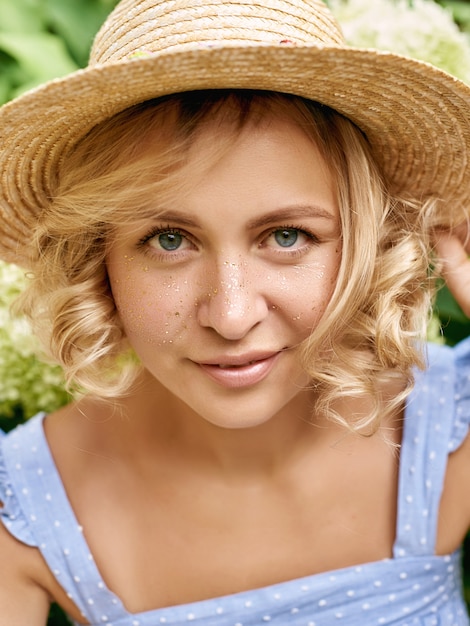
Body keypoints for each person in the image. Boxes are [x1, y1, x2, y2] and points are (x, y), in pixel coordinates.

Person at [0, 0, 470, 624]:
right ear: (96, 258)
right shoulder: (24, 513)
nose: (231, 314)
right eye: (169, 240)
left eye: (285, 236)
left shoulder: (446, 426)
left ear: (369, 242)